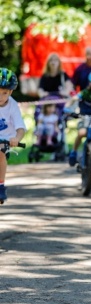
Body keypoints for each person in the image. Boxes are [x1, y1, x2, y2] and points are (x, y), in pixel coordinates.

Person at [0, 68, 26, 203]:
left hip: (5, 140)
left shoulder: (12, 105)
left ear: (10, 92)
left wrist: (16, 139)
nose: (0, 97)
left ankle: (0, 185)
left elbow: (20, 128)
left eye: (4, 93)